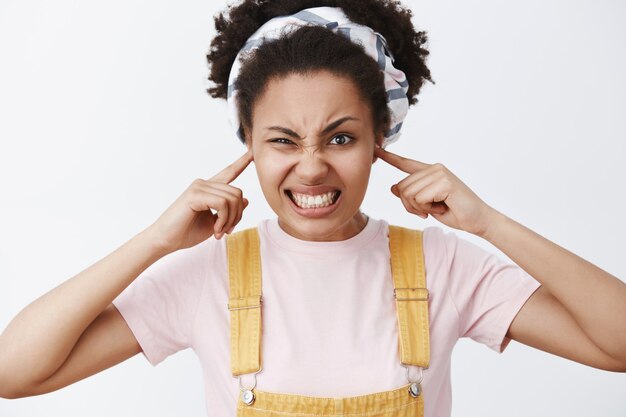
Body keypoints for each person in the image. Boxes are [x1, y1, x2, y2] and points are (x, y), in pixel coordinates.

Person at [0, 0, 625, 416]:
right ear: (247, 143)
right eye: (282, 140)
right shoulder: (207, 273)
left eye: (341, 137)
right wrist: (153, 242)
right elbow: (15, 373)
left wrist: (490, 222)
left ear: (381, 138)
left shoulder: (443, 265)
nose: (312, 166)